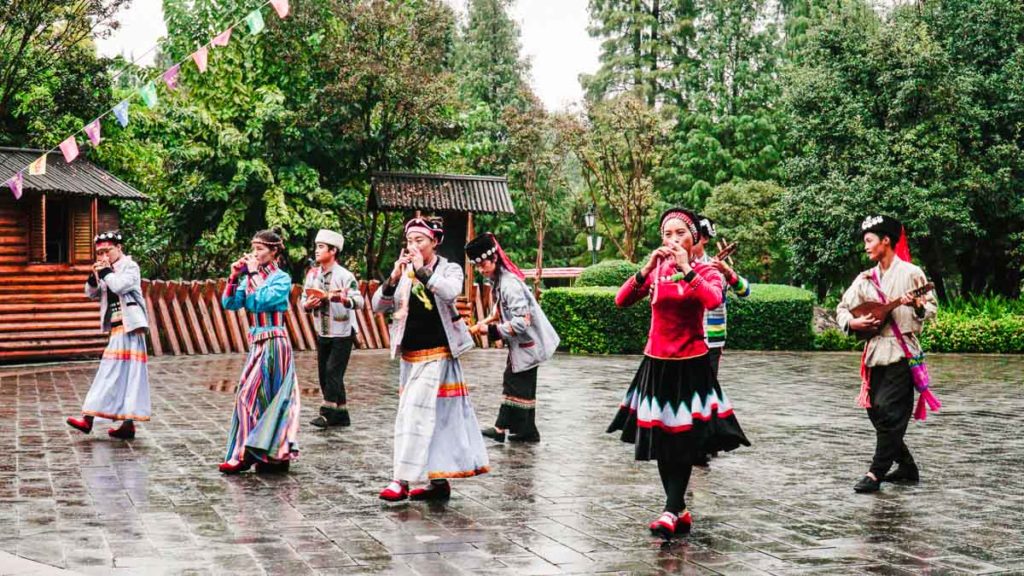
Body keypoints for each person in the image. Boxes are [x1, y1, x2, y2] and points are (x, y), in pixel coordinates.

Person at [607, 208, 750, 539]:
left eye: (680, 234)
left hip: (691, 365)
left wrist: (687, 269)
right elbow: (621, 300)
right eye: (667, 235)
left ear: (694, 238)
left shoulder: (706, 270)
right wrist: (644, 269)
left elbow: (713, 300)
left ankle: (671, 509)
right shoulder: (655, 271)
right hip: (656, 363)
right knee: (662, 439)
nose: (673, 240)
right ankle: (678, 509)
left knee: (682, 440)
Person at [372, 217, 489, 502]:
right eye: (409, 241)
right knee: (426, 418)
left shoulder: (449, 268)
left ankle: (401, 480)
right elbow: (378, 305)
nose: (412, 246)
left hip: (439, 355)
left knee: (416, 415)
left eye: (419, 241)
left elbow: (449, 292)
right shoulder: (404, 274)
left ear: (434, 242)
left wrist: (422, 271)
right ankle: (437, 483)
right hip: (410, 359)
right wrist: (394, 279)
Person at [836, 215, 938, 493]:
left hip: (901, 353)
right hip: (874, 354)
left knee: (890, 413)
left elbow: (930, 309)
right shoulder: (864, 279)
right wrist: (853, 323)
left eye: (869, 241)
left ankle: (874, 473)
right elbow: (843, 308)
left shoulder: (911, 273)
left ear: (886, 241)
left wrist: (917, 305)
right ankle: (906, 466)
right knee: (876, 412)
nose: (866, 247)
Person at [218, 228, 300, 474]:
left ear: (274, 252)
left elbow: (263, 299)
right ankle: (265, 453)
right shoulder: (249, 277)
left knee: (253, 396)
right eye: (254, 248)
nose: (255, 253)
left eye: (260, 249)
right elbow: (230, 303)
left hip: (275, 342)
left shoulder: (281, 278)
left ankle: (250, 453)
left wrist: (253, 272)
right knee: (258, 397)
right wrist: (234, 277)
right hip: (257, 343)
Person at [465, 232, 560, 443]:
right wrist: (486, 322)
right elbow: (500, 311)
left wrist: (489, 331)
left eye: (483, 264)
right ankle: (527, 431)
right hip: (523, 346)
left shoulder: (509, 284)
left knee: (514, 383)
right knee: (522, 386)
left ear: (494, 258)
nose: (481, 269)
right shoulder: (500, 281)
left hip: (529, 344)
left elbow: (522, 321)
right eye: (477, 266)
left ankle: (500, 429)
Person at [66, 231, 151, 440]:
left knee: (127, 375)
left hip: (131, 328)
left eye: (107, 251)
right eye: (99, 252)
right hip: (116, 328)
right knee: (112, 372)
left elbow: (119, 286)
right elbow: (91, 293)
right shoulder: (107, 270)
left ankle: (93, 419)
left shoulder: (130, 267)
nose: (103, 255)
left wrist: (104, 273)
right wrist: (93, 278)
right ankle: (120, 424)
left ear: (119, 248)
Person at [301, 229, 364, 428]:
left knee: (332, 372)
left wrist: (340, 298)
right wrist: (309, 304)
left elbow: (359, 300)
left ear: (333, 250)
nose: (317, 251)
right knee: (324, 372)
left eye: (321, 247)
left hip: (343, 332)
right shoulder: (312, 275)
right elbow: (304, 299)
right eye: (317, 246)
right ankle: (342, 413)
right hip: (323, 330)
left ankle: (327, 412)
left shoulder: (345, 276)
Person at [693, 216, 750, 379]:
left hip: (711, 340)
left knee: (707, 390)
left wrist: (728, 273)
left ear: (704, 238)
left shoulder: (719, 267)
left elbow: (745, 292)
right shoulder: (677, 266)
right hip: (685, 339)